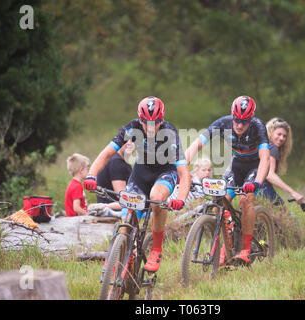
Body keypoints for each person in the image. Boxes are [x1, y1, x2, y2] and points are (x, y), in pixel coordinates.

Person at [84, 96, 191, 272]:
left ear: (162, 120)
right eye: (145, 122)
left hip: (165, 172)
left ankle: (156, 249)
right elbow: (106, 154)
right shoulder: (132, 127)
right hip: (141, 173)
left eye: (155, 123)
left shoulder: (169, 133)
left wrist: (181, 198)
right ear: (139, 119)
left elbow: (184, 172)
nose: (150, 127)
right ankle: (117, 255)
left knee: (156, 198)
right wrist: (91, 176)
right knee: (127, 216)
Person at [186, 95, 270, 264]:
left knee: (246, 200)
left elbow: (265, 158)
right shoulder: (223, 123)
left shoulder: (258, 127)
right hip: (236, 166)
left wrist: (257, 183)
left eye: (245, 122)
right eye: (237, 120)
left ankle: (246, 248)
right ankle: (228, 244)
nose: (239, 125)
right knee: (219, 203)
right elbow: (197, 144)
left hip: (254, 167)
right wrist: (183, 167)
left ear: (251, 119)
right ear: (232, 116)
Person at [261, 118, 304, 206]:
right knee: (288, 218)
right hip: (262, 188)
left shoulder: (263, 146)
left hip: (251, 187)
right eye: (279, 134)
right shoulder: (273, 148)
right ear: (271, 132)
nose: (281, 138)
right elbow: (270, 175)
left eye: (284, 136)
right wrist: (293, 192)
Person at [96, 139, 134, 216]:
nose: (129, 143)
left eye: (133, 140)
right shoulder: (117, 162)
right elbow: (121, 195)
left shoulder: (123, 161)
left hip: (121, 205)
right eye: (126, 140)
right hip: (112, 209)